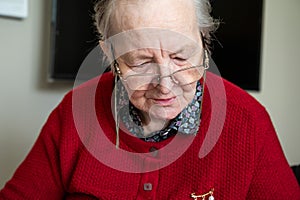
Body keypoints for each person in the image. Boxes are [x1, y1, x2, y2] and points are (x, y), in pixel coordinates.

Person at [0, 0, 299, 199]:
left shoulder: (248, 121)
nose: (165, 83)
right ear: (110, 55)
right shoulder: (75, 112)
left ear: (204, 43)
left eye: (181, 56)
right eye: (141, 62)